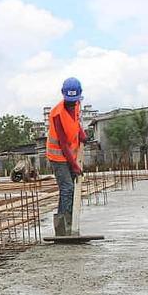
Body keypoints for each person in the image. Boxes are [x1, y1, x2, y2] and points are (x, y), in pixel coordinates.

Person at [46, 77, 87, 235]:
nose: (72, 103)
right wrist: (75, 166)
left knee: (69, 190)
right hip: (58, 157)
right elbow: (63, 144)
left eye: (74, 100)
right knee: (67, 188)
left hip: (71, 153)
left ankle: (67, 223)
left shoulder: (77, 104)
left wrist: (82, 134)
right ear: (63, 94)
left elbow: (76, 123)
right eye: (69, 101)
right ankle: (63, 227)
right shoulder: (57, 113)